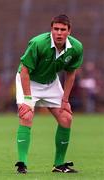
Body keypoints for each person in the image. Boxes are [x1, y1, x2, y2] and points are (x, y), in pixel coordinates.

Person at [15, 14, 83, 174]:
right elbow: (24, 71)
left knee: (66, 118)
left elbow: (70, 73)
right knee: (26, 116)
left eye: (63, 29)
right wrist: (27, 100)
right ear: (51, 30)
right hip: (28, 81)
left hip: (51, 82)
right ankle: (21, 164)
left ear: (69, 31)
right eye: (56, 29)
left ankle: (59, 165)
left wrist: (65, 100)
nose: (59, 33)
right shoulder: (38, 43)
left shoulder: (76, 47)